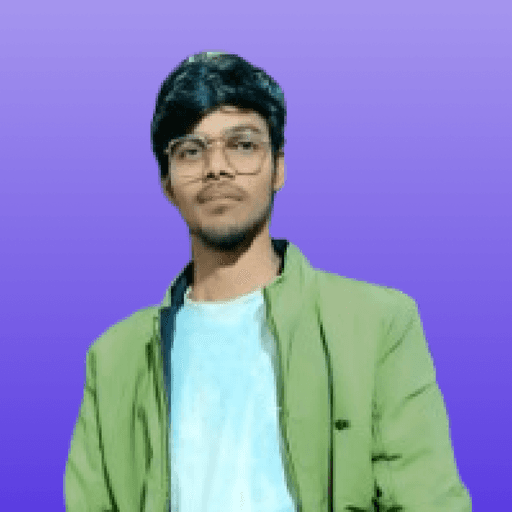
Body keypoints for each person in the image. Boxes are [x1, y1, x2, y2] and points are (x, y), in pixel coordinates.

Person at [64, 50, 472, 511]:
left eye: (242, 144)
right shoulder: (113, 359)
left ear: (278, 167)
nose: (217, 167)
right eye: (191, 151)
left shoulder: (377, 325)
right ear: (167, 182)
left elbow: (429, 500)